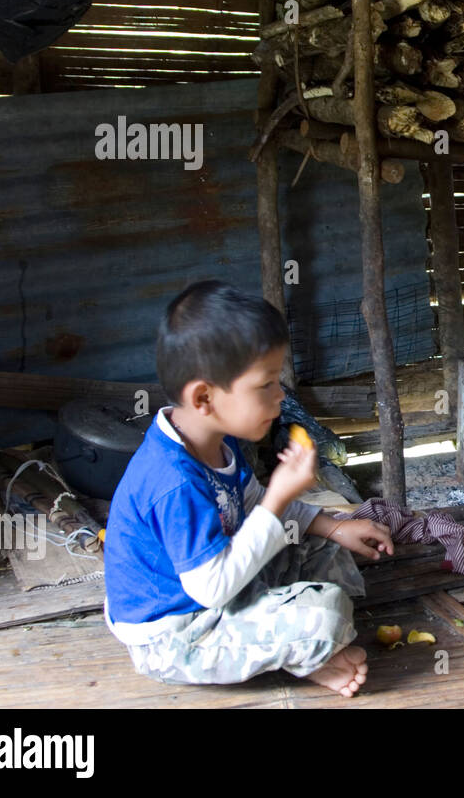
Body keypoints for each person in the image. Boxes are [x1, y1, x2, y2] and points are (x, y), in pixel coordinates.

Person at [103, 280, 395, 697]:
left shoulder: (216, 441)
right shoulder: (173, 481)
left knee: (326, 546)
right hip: (177, 632)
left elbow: (251, 501)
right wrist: (279, 496)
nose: (280, 397)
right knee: (325, 614)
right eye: (266, 385)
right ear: (204, 397)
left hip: (221, 588)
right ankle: (309, 655)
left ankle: (298, 637)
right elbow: (212, 588)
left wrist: (334, 526)